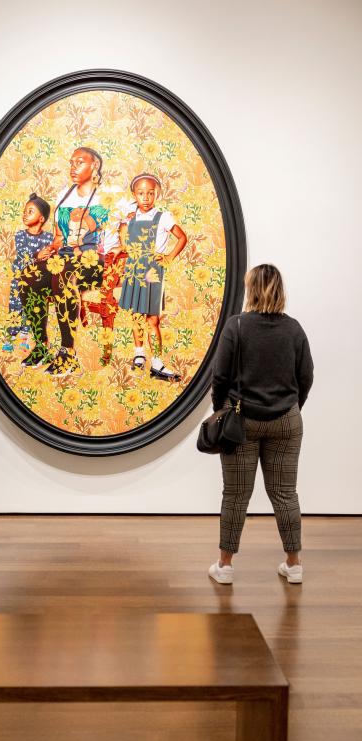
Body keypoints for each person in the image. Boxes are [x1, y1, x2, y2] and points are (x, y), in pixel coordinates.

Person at [208, 264, 314, 584]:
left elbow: (220, 377)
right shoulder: (294, 329)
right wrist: (291, 407)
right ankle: (293, 564)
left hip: (242, 421)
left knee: (236, 495)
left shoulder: (236, 326)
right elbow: (305, 376)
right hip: (286, 421)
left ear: (251, 289)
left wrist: (220, 412)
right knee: (285, 493)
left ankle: (225, 567)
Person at [22, 147, 111, 376]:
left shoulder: (107, 195)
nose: (73, 167)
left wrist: (87, 219)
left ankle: (67, 353)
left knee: (63, 275)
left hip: (95, 260)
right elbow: (60, 238)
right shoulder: (64, 195)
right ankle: (42, 346)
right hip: (66, 258)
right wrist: (49, 249)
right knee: (28, 277)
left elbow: (105, 231)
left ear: (95, 166)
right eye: (71, 162)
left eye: (79, 162)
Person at [118, 174, 187, 381]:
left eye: (150, 193)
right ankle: (139, 354)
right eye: (141, 193)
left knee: (152, 318)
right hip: (134, 269)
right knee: (136, 315)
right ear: (134, 195)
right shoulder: (130, 217)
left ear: (156, 194)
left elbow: (182, 237)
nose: (146, 197)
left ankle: (156, 363)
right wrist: (123, 226)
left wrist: (168, 257)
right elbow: (123, 243)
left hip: (152, 272)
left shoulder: (163, 216)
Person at [5, 193, 53, 357]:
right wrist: (36, 256)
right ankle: (10, 338)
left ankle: (25, 338)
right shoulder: (20, 235)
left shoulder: (48, 237)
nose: (25, 214)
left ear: (41, 218)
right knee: (15, 307)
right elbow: (23, 255)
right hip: (19, 280)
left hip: (36, 282)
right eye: (25, 211)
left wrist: (45, 256)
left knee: (31, 309)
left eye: (30, 211)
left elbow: (47, 259)